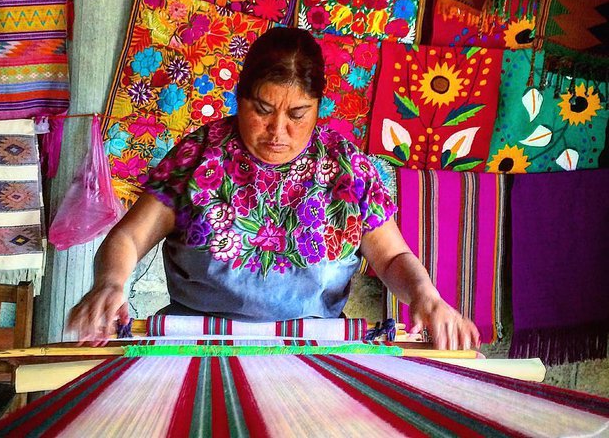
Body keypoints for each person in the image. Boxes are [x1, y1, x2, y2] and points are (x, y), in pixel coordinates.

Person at [68, 27, 480, 350]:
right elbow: (130, 235)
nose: (278, 131)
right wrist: (110, 283)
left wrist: (426, 295)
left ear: (319, 106)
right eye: (262, 110)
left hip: (311, 354)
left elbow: (391, 258)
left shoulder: (347, 170)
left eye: (298, 114)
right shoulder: (199, 158)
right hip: (193, 347)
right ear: (239, 97)